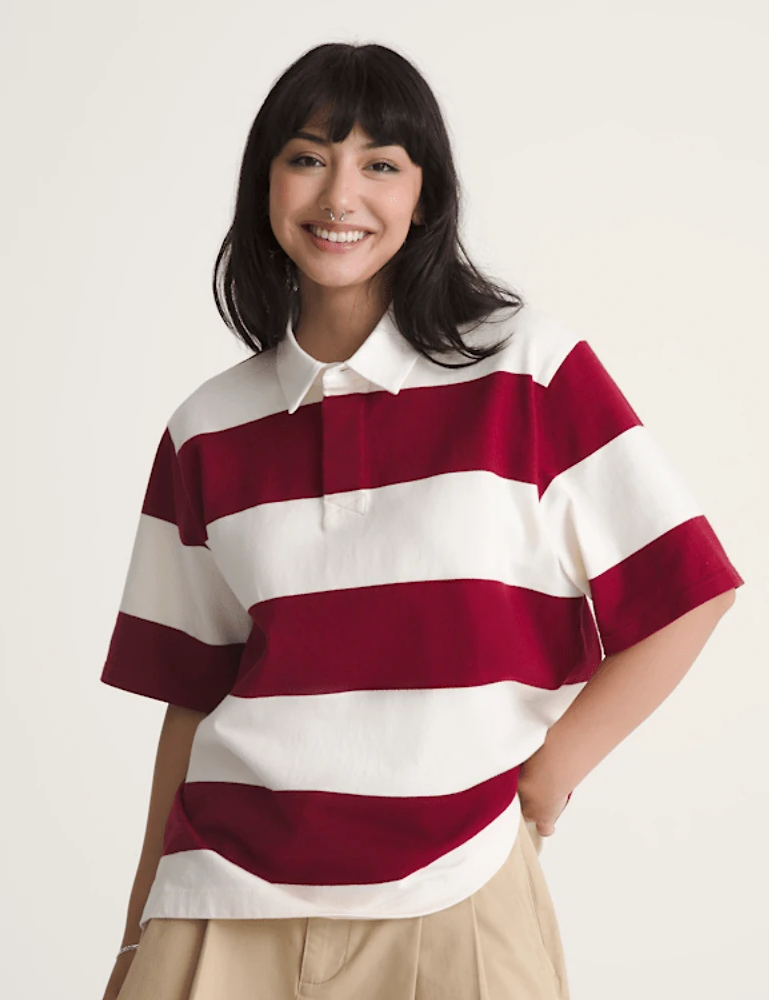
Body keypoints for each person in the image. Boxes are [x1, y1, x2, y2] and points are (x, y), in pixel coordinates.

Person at [99, 41, 744, 1000]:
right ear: (265, 183)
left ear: (425, 194)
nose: (339, 196)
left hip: (458, 893)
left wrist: (550, 774)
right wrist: (132, 943)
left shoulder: (528, 374)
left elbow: (689, 590)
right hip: (220, 903)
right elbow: (191, 697)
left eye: (381, 164)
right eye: (308, 158)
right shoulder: (206, 427)